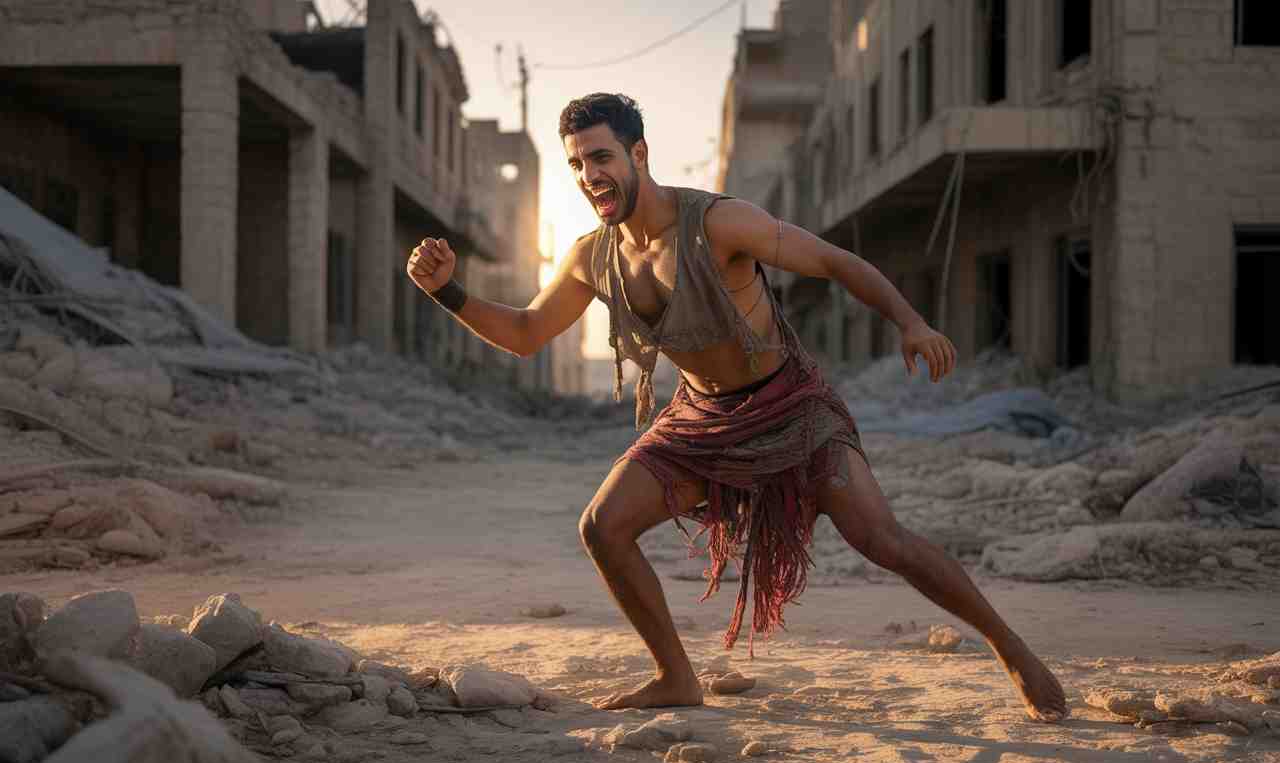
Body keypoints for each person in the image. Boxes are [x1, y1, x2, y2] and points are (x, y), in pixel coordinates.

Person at [406, 93, 1068, 721]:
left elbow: (834, 261)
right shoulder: (592, 256)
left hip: (790, 407)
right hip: (701, 420)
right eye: (577, 163)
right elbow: (525, 334)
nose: (589, 175)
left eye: (601, 157)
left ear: (638, 155)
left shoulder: (719, 222)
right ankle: (677, 677)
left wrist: (911, 321)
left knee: (881, 539)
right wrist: (449, 292)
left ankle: (1011, 646)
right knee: (601, 526)